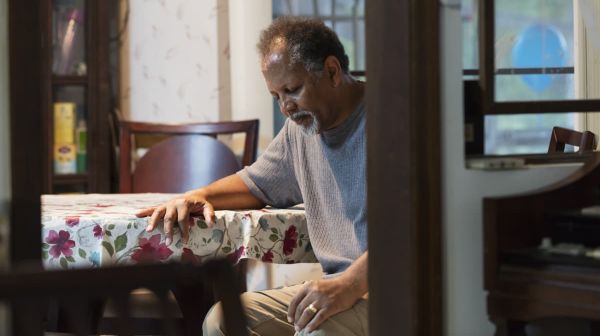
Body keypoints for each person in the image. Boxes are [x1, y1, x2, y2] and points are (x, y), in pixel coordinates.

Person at [136, 16, 368, 336]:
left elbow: (416, 231)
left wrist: (350, 284)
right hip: (337, 287)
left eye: (293, 89)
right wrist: (198, 196)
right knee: (223, 320)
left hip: (394, 293)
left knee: (318, 331)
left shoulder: (387, 119)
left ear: (332, 71)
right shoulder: (300, 129)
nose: (286, 106)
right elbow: (255, 184)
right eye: (276, 96)